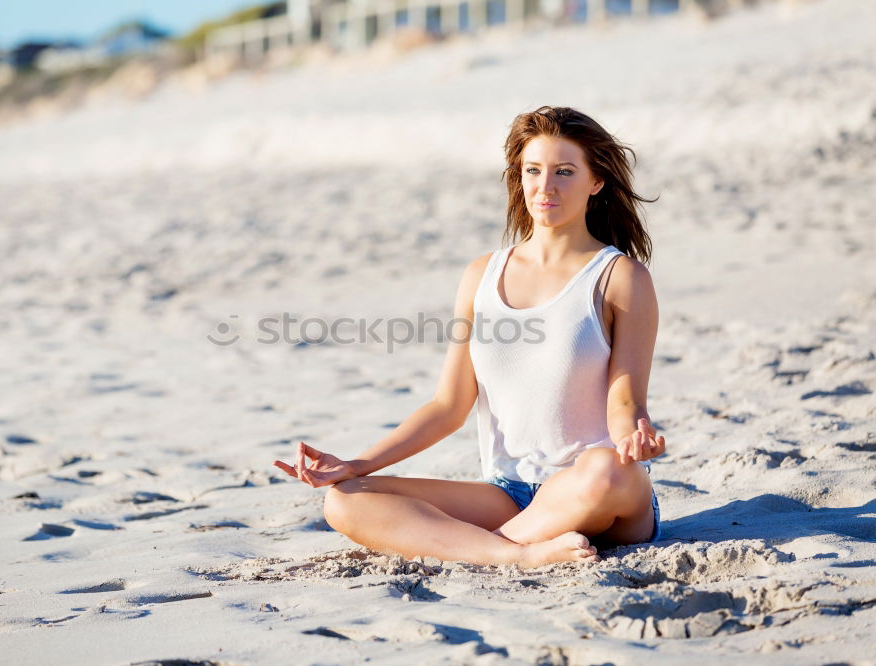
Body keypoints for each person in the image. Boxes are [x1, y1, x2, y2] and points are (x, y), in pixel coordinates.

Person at [274, 106, 666, 568]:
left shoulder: (620, 277)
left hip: (595, 489)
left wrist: (634, 439)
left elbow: (625, 402)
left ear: (596, 181)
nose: (546, 186)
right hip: (508, 495)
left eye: (565, 171)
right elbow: (447, 406)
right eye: (533, 170)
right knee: (344, 500)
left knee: (608, 471)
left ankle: (484, 548)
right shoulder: (482, 275)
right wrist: (357, 466)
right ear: (518, 178)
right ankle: (519, 554)